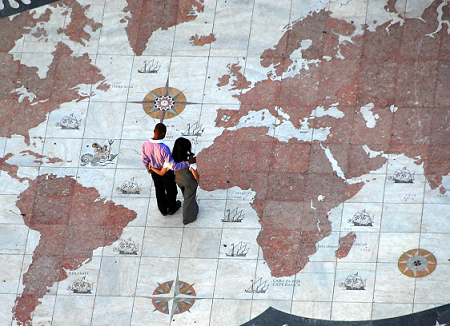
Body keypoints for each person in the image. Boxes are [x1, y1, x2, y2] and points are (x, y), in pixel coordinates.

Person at [142, 123, 195, 216]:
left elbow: (144, 159)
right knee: (171, 190)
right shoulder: (164, 148)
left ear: (154, 131)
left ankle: (163, 210)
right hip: (166, 173)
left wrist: (148, 168)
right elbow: (173, 166)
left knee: (159, 189)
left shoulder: (145, 144)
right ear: (163, 134)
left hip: (154, 171)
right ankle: (172, 207)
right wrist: (187, 162)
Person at [151, 137, 199, 225]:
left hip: (178, 180)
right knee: (188, 198)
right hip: (189, 181)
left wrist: (151, 168)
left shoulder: (171, 158)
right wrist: (197, 180)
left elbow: (162, 172)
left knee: (186, 195)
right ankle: (187, 218)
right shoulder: (190, 159)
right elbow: (194, 173)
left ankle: (194, 208)